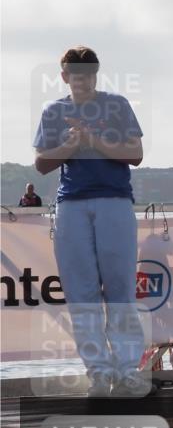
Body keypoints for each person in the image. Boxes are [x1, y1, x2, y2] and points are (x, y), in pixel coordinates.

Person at [33, 46, 148, 397]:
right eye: (75, 73)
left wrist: (93, 140)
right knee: (81, 293)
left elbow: (135, 154)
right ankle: (98, 372)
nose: (82, 79)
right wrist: (71, 145)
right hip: (72, 204)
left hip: (114, 201)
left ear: (96, 75)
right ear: (64, 76)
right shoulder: (54, 111)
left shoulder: (117, 105)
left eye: (88, 73)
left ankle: (128, 371)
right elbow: (41, 162)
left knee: (120, 290)